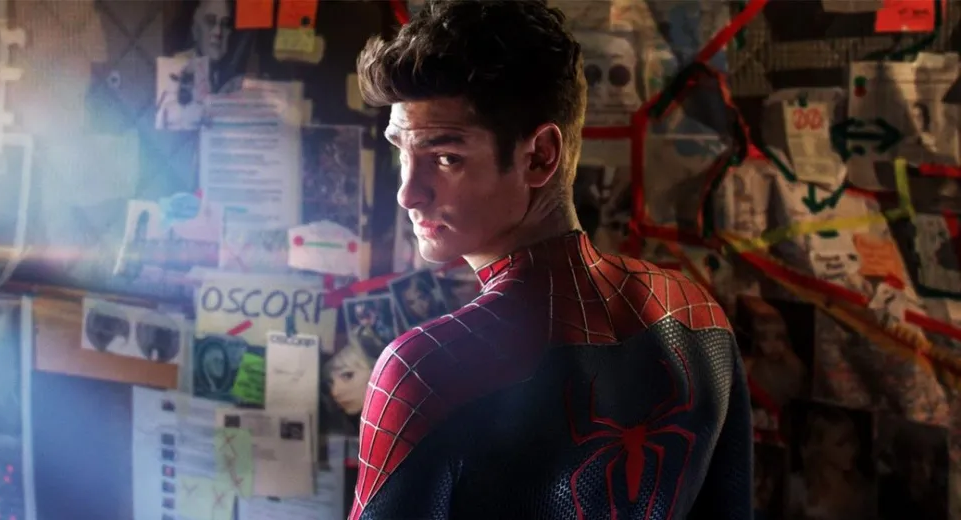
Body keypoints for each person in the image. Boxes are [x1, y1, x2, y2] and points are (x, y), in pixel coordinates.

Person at [350, 2, 753, 519]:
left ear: (539, 156)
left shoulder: (423, 371)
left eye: (446, 157)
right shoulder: (699, 315)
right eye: (401, 151)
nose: (408, 193)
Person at [788, 405, 874, 520]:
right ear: (819, 448)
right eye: (841, 444)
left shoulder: (865, 491)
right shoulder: (796, 487)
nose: (852, 449)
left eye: (852, 440)